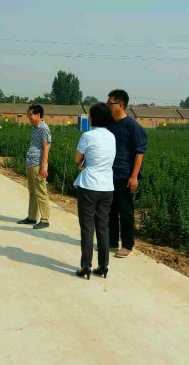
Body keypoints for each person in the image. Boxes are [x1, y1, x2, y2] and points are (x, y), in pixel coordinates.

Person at [73, 103, 116, 279]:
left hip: (89, 185)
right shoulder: (112, 136)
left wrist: (82, 163)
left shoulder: (88, 135)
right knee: (103, 227)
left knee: (87, 227)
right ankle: (103, 266)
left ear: (93, 118)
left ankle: (86, 266)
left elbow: (77, 158)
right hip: (107, 187)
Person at [107, 89, 148, 258]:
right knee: (109, 210)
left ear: (121, 104)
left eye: (110, 103)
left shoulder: (133, 127)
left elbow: (139, 153)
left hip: (125, 174)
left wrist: (134, 176)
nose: (108, 106)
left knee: (125, 211)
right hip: (108, 173)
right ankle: (111, 242)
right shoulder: (109, 124)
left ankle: (127, 245)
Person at [17, 104, 51, 229]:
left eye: (30, 114)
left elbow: (46, 148)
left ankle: (45, 219)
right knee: (32, 192)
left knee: (41, 192)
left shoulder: (44, 128)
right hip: (31, 162)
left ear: (38, 115)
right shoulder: (35, 127)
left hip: (38, 164)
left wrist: (43, 167)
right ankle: (31, 217)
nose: (28, 117)